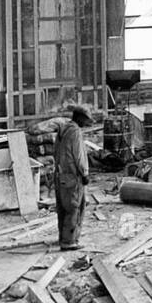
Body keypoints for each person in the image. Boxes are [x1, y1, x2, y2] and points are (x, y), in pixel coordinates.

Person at [54, 106, 92, 251]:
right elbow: (79, 155)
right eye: (86, 120)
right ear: (79, 117)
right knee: (75, 208)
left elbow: (56, 152)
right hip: (73, 175)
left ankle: (62, 237)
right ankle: (69, 241)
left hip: (61, 174)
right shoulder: (75, 132)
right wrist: (85, 173)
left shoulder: (63, 129)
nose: (86, 124)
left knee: (63, 208)